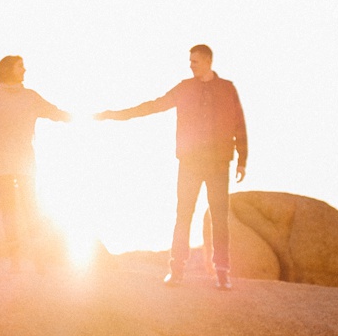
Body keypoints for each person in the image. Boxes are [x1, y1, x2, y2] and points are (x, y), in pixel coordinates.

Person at [95, 44, 247, 289]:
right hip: (190, 162)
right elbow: (154, 105)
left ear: (207, 61)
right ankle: (176, 269)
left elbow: (239, 123)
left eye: (194, 61)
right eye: (190, 61)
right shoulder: (185, 88)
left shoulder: (227, 89)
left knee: (219, 218)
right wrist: (116, 114)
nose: (190, 65)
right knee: (183, 214)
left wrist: (242, 160)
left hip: (219, 164)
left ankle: (222, 272)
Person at [0, 55, 71, 269]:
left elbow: (55, 113)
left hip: (25, 160)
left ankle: (40, 259)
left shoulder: (31, 97)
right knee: (9, 210)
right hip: (0, 160)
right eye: (21, 67)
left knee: (31, 207)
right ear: (9, 69)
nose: (25, 70)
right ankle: (15, 261)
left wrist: (82, 117)